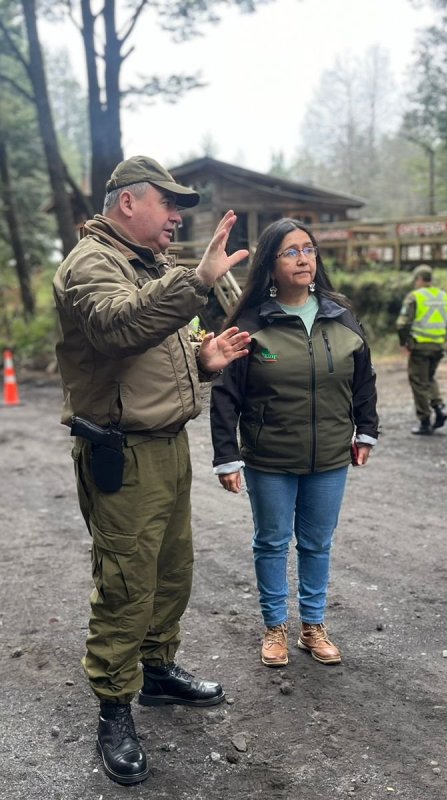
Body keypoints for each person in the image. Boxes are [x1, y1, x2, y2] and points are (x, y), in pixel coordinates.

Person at [52, 155, 253, 785]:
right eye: (168, 203)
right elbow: (118, 329)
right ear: (128, 202)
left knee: (170, 571)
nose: (176, 217)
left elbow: (157, 351)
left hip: (167, 445)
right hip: (122, 451)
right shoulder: (90, 264)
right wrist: (198, 280)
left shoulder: (149, 267)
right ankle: (114, 708)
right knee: (125, 583)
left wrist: (202, 358)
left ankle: (158, 672)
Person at [210, 218, 379, 670]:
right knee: (271, 541)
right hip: (269, 458)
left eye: (308, 249)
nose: (303, 259)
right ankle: (275, 627)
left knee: (317, 543)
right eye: (291, 252)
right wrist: (227, 456)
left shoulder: (340, 316)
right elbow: (225, 394)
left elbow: (363, 379)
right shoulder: (251, 324)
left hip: (330, 456)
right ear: (271, 264)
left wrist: (366, 429)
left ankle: (313, 627)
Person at [396, 263, 447, 435]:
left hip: (420, 346)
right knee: (429, 377)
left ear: (420, 279)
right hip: (438, 345)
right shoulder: (444, 296)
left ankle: (425, 421)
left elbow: (402, 324)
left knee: (418, 382)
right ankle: (439, 407)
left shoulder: (415, 296)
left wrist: (404, 342)